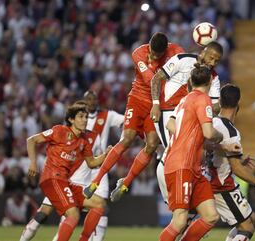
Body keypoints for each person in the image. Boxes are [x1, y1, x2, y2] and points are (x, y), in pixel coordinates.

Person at [84, 32, 184, 201]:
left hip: (158, 105)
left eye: (156, 55)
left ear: (165, 51)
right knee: (127, 139)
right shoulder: (139, 52)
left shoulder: (176, 52)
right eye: (151, 52)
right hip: (138, 100)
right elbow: (151, 79)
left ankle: (125, 183)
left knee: (151, 145)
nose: (152, 56)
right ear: (149, 45)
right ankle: (95, 181)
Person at [20, 92, 123, 241]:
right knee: (72, 214)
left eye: (86, 117)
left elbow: (92, 163)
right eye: (81, 117)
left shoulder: (85, 141)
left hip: (66, 182)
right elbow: (31, 140)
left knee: (99, 204)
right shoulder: (59, 131)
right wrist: (33, 162)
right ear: (71, 119)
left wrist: (107, 154)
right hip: (52, 178)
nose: (85, 120)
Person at [159, 66, 240, 241]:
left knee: (211, 215)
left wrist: (187, 137)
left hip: (193, 167)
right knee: (180, 220)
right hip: (182, 165)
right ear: (210, 82)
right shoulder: (203, 99)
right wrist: (221, 139)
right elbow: (209, 133)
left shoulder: (185, 100)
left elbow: (170, 125)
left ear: (191, 82)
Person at [149, 41, 223, 203]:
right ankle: (172, 199)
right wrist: (155, 104)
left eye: (217, 61)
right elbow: (157, 79)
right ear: (204, 51)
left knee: (182, 154)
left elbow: (217, 106)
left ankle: (180, 199)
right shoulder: (182, 59)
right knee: (174, 151)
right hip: (167, 112)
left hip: (188, 117)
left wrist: (204, 107)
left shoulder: (214, 77)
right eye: (211, 58)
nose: (213, 63)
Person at [208, 84, 255, 241]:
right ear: (238, 104)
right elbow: (237, 169)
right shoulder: (231, 132)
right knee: (247, 227)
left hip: (212, 180)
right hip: (221, 186)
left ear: (221, 101)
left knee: (252, 219)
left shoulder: (212, 123)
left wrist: (236, 157)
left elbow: (211, 149)